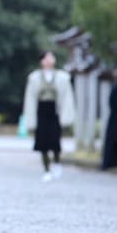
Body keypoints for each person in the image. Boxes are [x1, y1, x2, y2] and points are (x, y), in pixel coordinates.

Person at [22, 51, 76, 181]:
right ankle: (46, 169)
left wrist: (66, 115)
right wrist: (30, 118)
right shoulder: (35, 77)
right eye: (47, 58)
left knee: (55, 139)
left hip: (55, 111)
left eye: (51, 57)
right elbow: (30, 98)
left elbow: (66, 97)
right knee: (42, 142)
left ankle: (57, 162)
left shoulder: (62, 77)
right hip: (41, 110)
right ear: (42, 61)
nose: (49, 60)